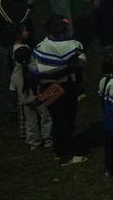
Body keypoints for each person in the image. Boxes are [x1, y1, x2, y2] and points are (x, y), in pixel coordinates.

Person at [30, 15, 87, 165]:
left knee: (56, 120)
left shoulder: (41, 47)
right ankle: (66, 155)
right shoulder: (73, 45)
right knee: (66, 120)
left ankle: (60, 150)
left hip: (48, 87)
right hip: (66, 87)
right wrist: (68, 68)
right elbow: (80, 62)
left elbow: (37, 70)